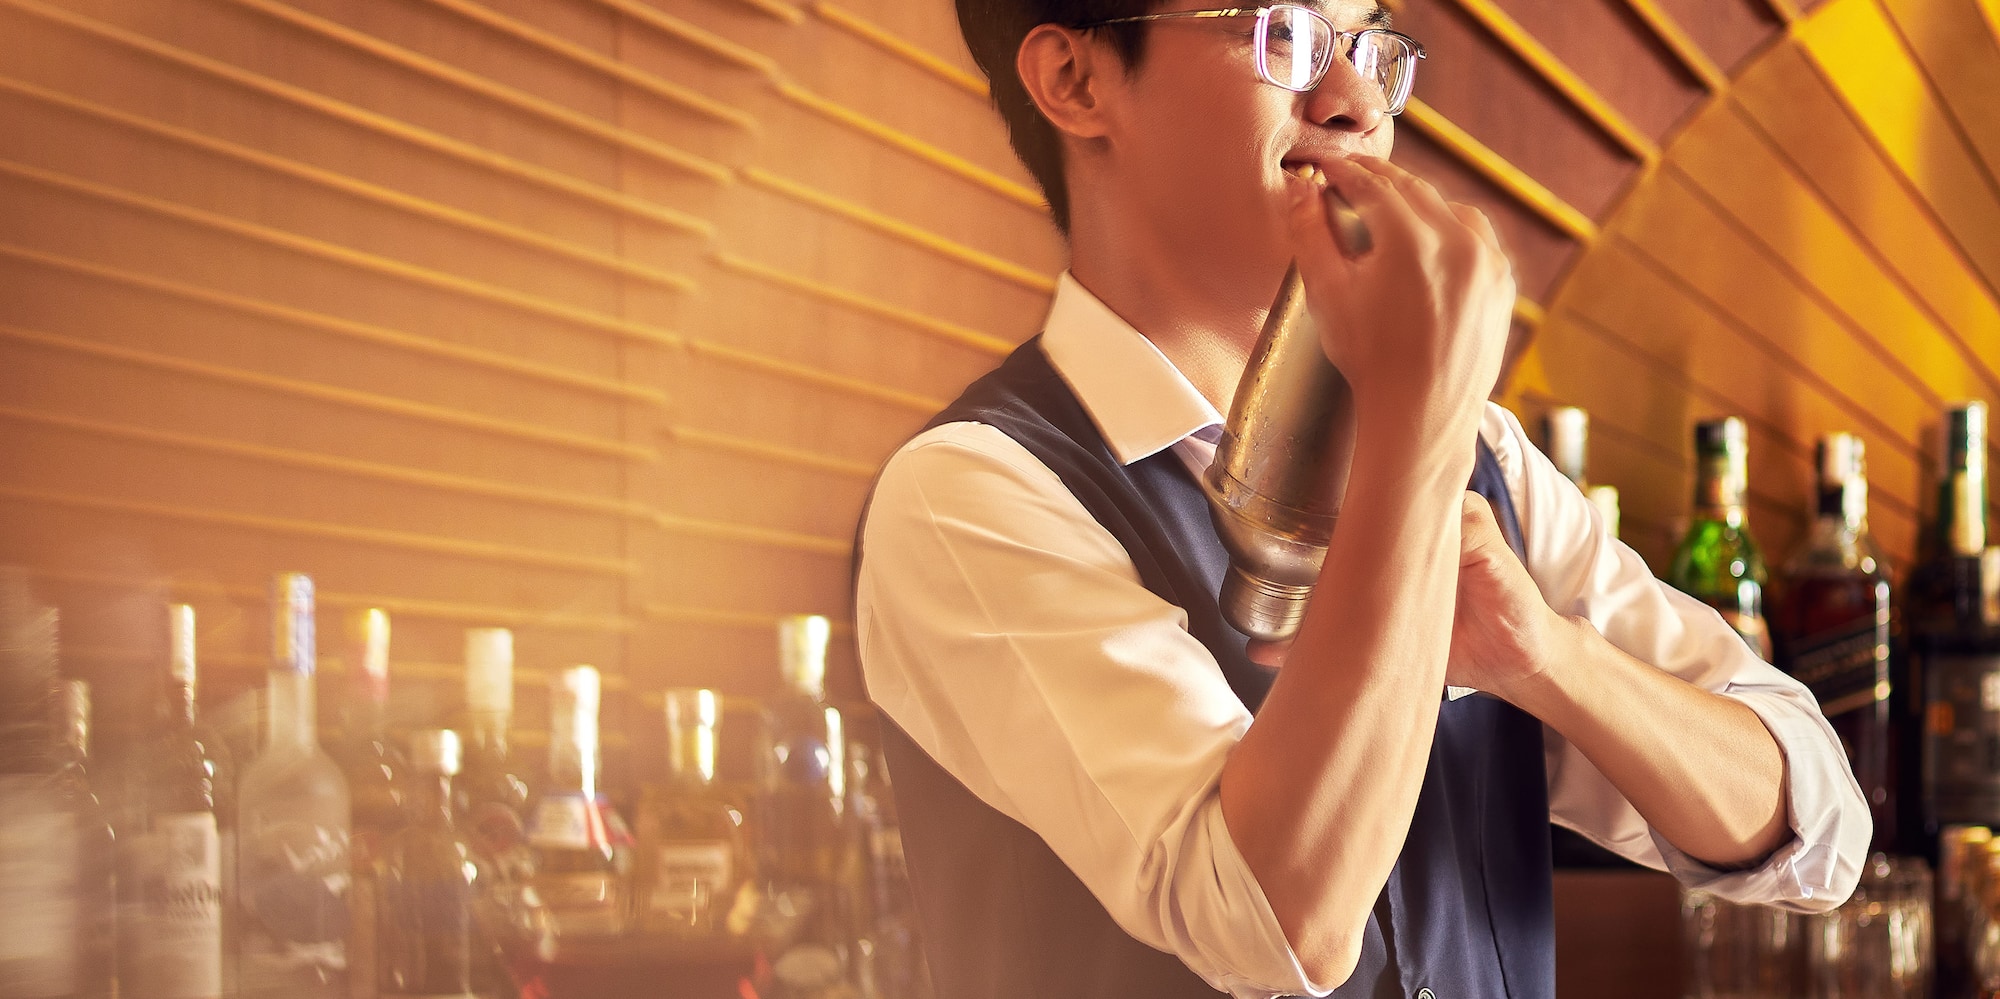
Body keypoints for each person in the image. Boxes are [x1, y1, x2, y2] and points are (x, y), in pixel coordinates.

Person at [852, 2, 1870, 997]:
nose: (1353, 102)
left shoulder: (1481, 455)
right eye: (1283, 33)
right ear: (1074, 82)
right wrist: (1412, 433)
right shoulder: (968, 494)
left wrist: (1544, 656)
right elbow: (1275, 932)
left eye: (1367, 43)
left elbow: (1814, 834)